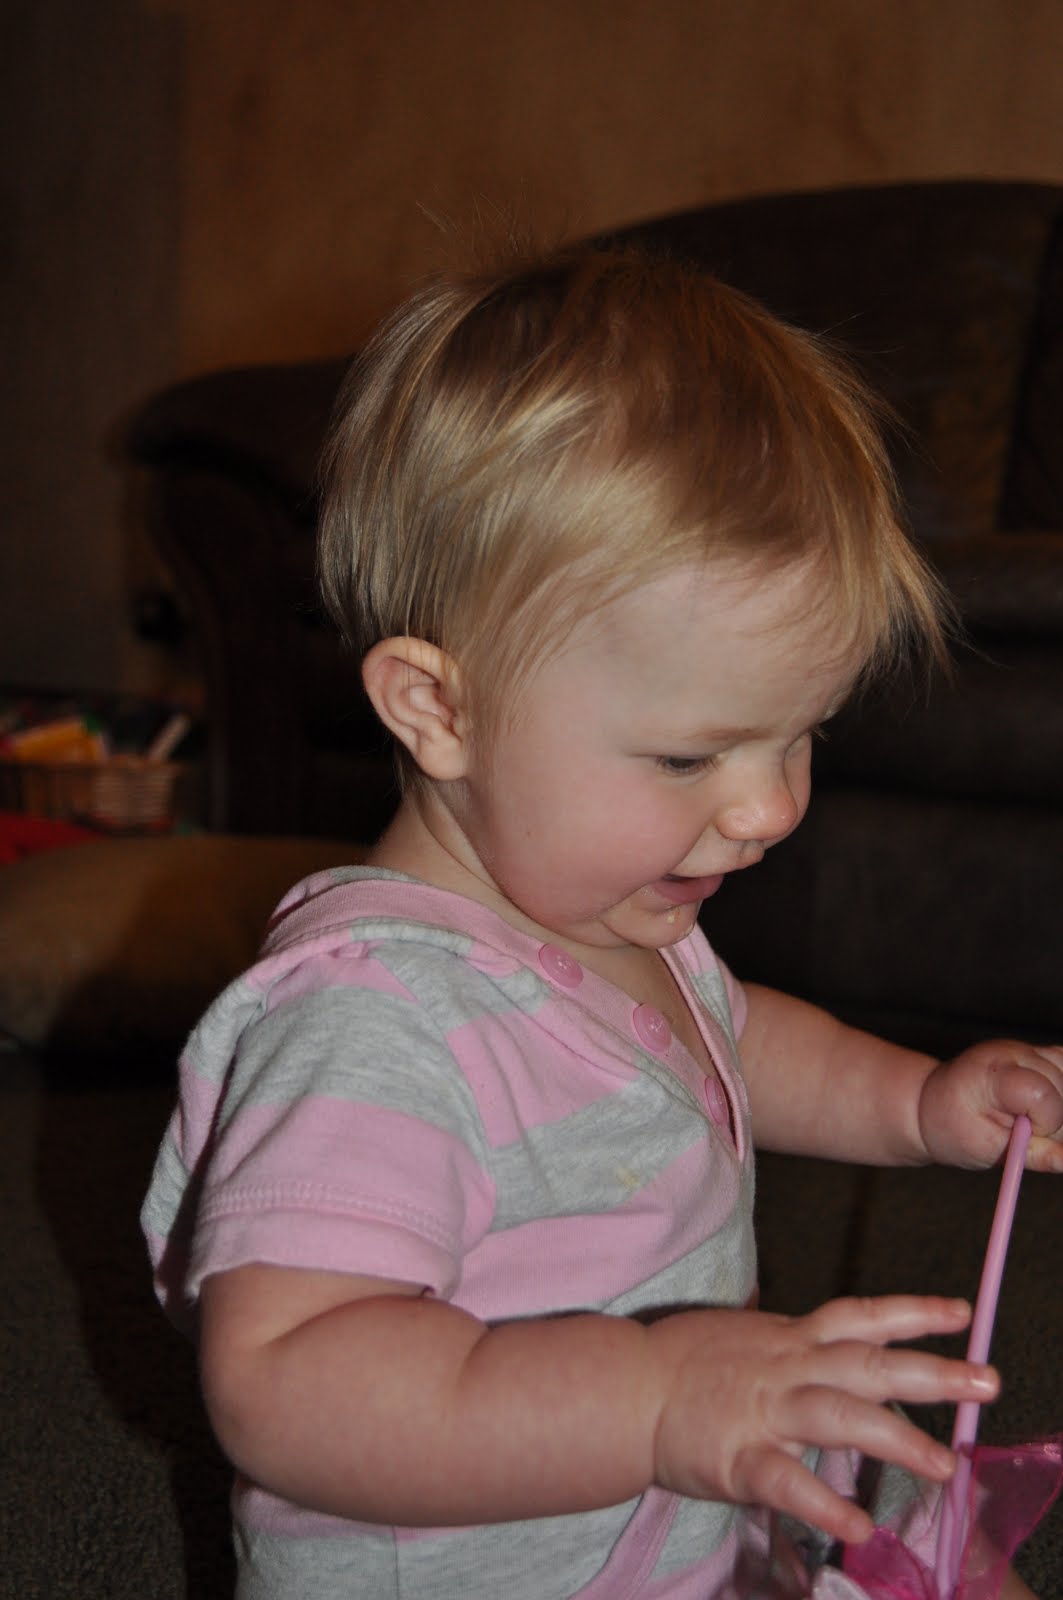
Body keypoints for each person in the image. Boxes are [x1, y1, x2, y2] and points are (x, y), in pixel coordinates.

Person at [142, 245, 1063, 1599]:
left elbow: (736, 1045)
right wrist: (649, 1400)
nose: (767, 808)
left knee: (918, 1525)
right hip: (492, 1569)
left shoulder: (621, 917)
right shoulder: (368, 1024)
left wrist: (919, 1103)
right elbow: (283, 1381)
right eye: (691, 756)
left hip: (667, 1496)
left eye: (800, 734)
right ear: (438, 709)